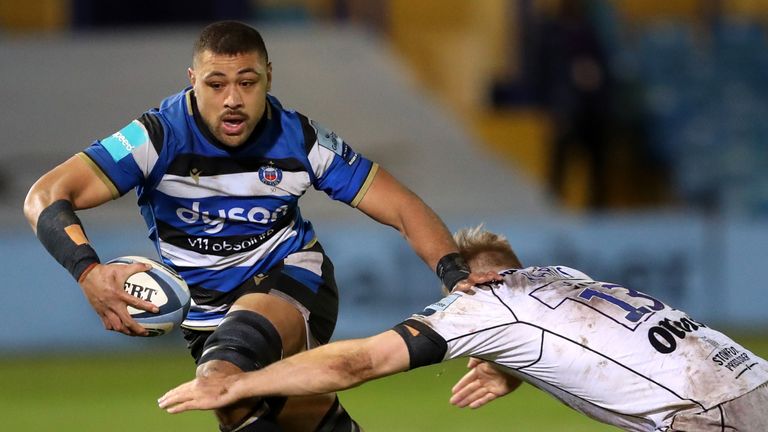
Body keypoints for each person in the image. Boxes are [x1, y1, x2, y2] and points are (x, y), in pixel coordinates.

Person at [23, 21, 487, 432]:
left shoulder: (300, 140)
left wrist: (453, 273)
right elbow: (45, 195)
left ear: (269, 77)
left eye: (247, 82)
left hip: (291, 277)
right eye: (216, 83)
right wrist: (88, 271)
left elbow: (402, 205)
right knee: (273, 412)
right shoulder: (156, 137)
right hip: (205, 311)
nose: (232, 99)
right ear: (192, 82)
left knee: (223, 380)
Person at [159, 225, 768, 431]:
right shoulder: (556, 275)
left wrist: (237, 383)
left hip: (705, 416)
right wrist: (515, 368)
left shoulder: (481, 303)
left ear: (468, 281)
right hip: (749, 378)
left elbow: (358, 363)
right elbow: (593, 338)